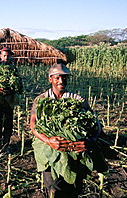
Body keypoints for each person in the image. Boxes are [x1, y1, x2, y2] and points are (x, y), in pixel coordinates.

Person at [30, 63, 101, 197]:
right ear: (50, 79)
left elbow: (95, 123)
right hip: (50, 148)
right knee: (54, 189)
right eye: (57, 78)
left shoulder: (78, 100)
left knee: (74, 187)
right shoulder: (40, 100)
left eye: (64, 78)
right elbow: (33, 125)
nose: (61, 81)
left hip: (76, 150)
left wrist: (91, 140)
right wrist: (48, 140)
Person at [0, 47, 23, 152]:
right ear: (0, 56)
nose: (6, 57)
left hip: (9, 99)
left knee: (8, 123)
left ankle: (6, 144)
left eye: (8, 55)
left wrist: (12, 90)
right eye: (4, 55)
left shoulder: (13, 68)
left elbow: (18, 83)